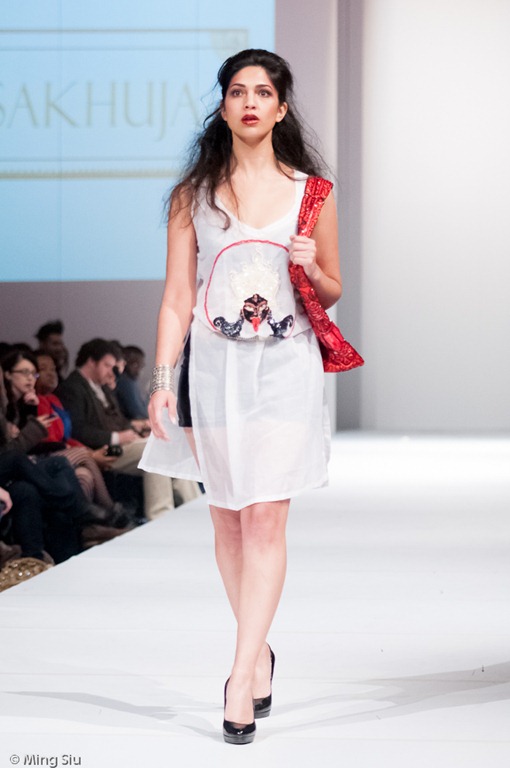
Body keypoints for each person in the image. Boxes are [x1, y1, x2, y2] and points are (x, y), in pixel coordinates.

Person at [140, 49, 342, 744]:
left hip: (284, 367)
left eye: (262, 92)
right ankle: (259, 651)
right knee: (227, 520)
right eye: (237, 91)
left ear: (281, 109)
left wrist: (313, 269)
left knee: (264, 519)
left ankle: (237, 675)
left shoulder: (313, 193)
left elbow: (333, 289)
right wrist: (160, 382)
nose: (249, 102)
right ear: (223, 107)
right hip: (212, 369)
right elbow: (176, 298)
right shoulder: (191, 196)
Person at [57, 339, 200, 519]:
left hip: (119, 444)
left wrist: (136, 429)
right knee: (157, 448)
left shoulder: (101, 387)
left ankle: (191, 507)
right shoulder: (73, 387)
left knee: (168, 443)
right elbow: (78, 429)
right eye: (107, 365)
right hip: (102, 450)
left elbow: (118, 420)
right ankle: (161, 514)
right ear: (91, 362)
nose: (111, 371)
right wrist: (117, 437)